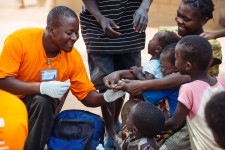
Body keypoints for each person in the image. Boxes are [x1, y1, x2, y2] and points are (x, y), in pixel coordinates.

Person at [0, 6, 119, 150]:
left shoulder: (72, 57)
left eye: (77, 33)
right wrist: (41, 87)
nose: (74, 38)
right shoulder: (20, 41)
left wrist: (107, 96)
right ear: (51, 31)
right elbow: (3, 81)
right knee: (41, 98)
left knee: (43, 101)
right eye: (70, 33)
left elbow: (87, 96)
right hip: (8, 103)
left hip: (37, 107)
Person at [80, 0, 153, 148]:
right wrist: (100, 18)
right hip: (97, 22)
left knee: (126, 78)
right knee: (106, 82)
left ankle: (114, 121)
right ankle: (109, 131)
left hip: (131, 21)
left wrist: (144, 7)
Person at [164, 35, 225, 150]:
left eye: (176, 59)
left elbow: (176, 122)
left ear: (187, 66)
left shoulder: (188, 89)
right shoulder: (223, 82)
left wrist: (153, 126)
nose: (175, 62)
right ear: (210, 61)